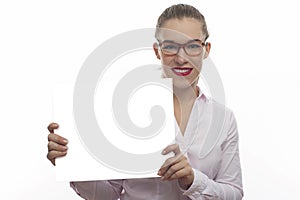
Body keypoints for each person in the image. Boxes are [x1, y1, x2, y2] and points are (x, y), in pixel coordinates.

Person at [47, 4, 243, 200]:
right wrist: (73, 163)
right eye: (170, 47)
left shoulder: (223, 118)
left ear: (205, 49)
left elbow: (234, 192)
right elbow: (107, 195)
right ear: (157, 51)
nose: (181, 58)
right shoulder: (129, 107)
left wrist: (193, 180)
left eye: (192, 46)